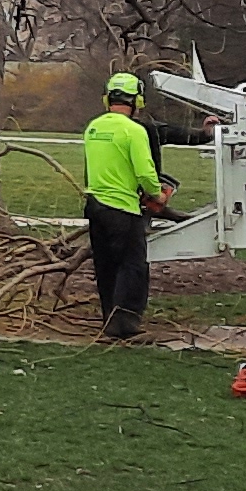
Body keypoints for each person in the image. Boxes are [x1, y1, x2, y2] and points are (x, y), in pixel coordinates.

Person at [83, 71, 175, 340]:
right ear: (138, 101)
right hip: (123, 207)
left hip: (95, 205)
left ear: (107, 99)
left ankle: (108, 320)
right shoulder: (134, 131)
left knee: (105, 266)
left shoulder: (94, 128)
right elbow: (146, 173)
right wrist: (157, 195)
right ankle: (126, 324)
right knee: (132, 266)